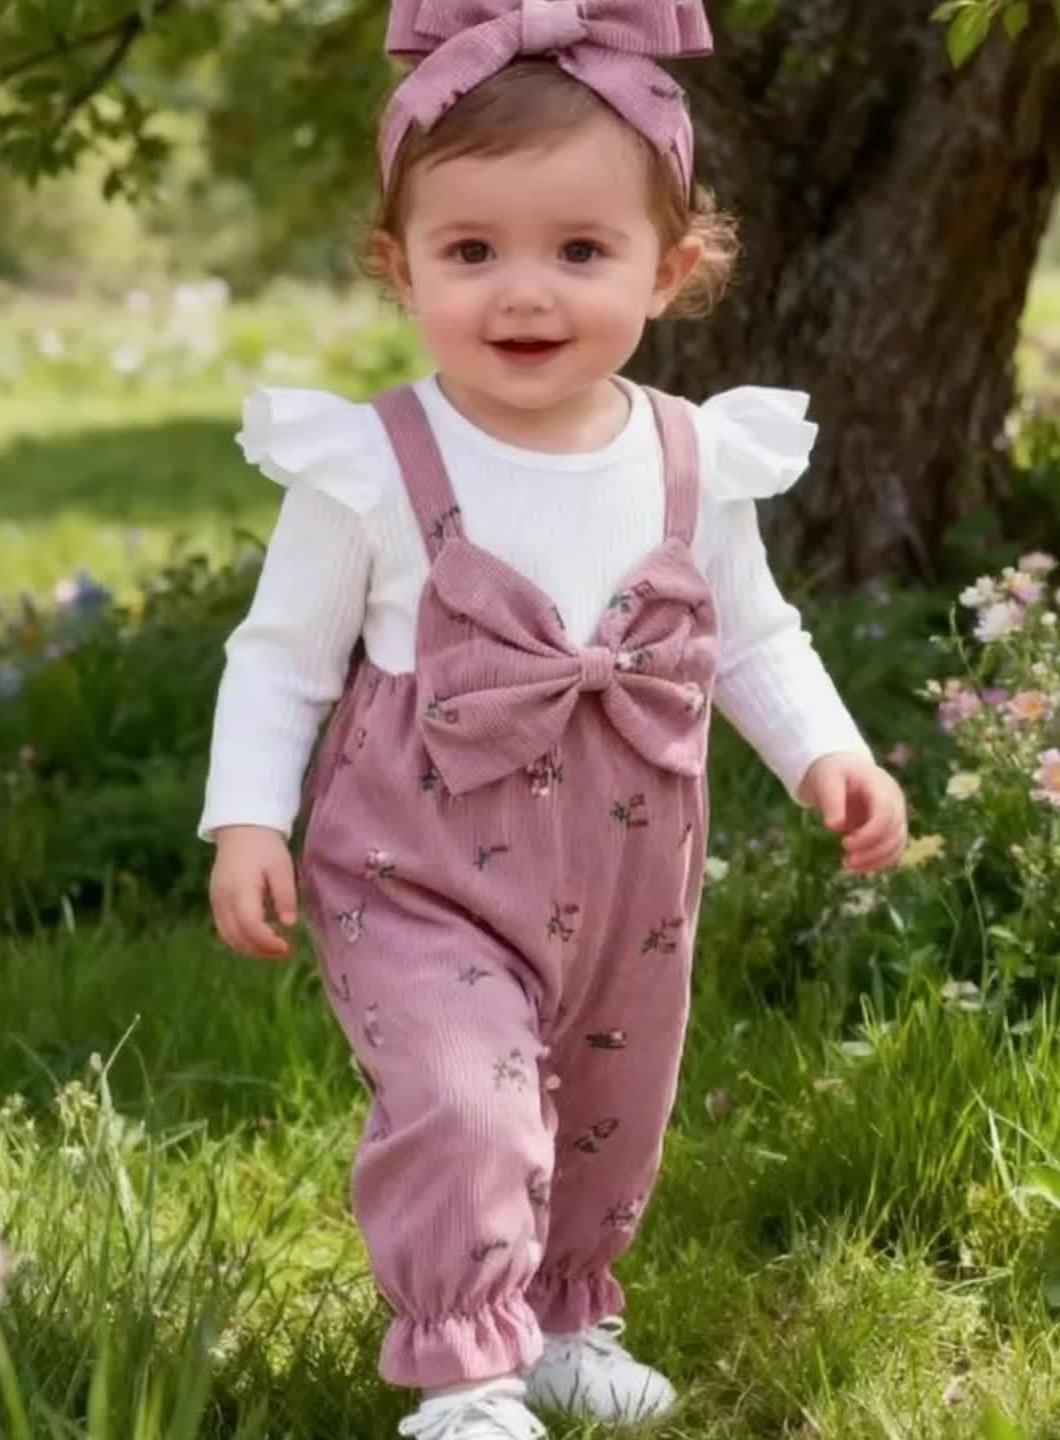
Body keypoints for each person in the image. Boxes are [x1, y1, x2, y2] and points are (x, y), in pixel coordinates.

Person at [201, 2, 909, 1435]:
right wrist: (245, 819)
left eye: (580, 251)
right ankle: (463, 1371)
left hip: (629, 863)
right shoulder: (374, 466)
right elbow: (280, 658)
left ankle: (567, 1313)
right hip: (419, 864)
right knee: (467, 1097)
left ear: (675, 268)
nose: (524, 292)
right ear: (400, 269)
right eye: (473, 252)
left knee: (604, 1093)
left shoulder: (692, 458)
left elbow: (752, 635)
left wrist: (829, 751)